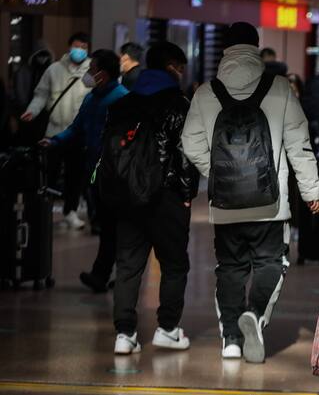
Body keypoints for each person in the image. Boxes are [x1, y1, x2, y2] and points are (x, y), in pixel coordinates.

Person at [181, 22, 319, 363]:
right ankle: (255, 315)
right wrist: (311, 190)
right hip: (270, 204)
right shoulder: (280, 88)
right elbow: (299, 144)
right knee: (272, 262)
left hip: (226, 204)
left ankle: (230, 338)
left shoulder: (205, 91)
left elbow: (189, 142)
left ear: (224, 49)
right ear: (256, 47)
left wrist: (216, 174)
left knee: (230, 268)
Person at [106, 41, 199, 355]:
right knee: (174, 264)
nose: (182, 73)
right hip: (166, 196)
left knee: (128, 266)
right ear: (172, 66)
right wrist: (187, 194)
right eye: (181, 67)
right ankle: (168, 329)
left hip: (127, 195)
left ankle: (124, 334)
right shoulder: (179, 104)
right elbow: (186, 154)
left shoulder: (123, 103)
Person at [39, 50, 128, 292]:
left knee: (113, 226)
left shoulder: (122, 99)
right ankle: (109, 275)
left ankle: (107, 275)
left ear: (104, 74)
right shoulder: (92, 99)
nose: (88, 74)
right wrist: (55, 140)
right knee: (107, 225)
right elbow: (77, 128)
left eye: (92, 69)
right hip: (96, 171)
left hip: (116, 174)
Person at [20, 32, 92, 230]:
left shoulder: (91, 72)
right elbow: (41, 95)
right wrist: (32, 111)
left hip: (79, 134)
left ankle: (70, 212)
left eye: (84, 47)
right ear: (69, 48)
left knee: (74, 176)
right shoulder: (54, 70)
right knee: (49, 174)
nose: (80, 51)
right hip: (55, 132)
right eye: (77, 46)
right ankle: (45, 211)